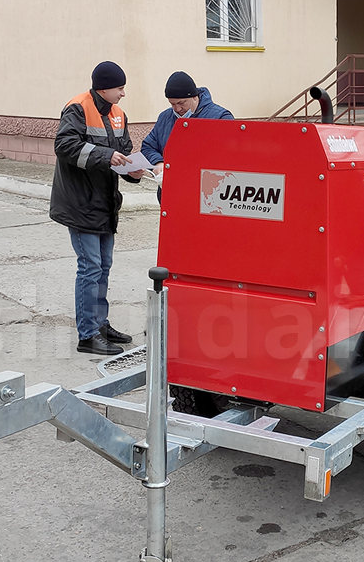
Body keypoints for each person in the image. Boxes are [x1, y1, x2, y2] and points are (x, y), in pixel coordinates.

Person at [50, 61, 145, 356]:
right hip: (80, 203)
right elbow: (64, 146)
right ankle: (88, 335)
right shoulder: (77, 108)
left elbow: (123, 153)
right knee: (90, 267)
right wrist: (107, 155)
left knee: (103, 266)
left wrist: (133, 171)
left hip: (104, 204)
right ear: (104, 87)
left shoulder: (118, 115)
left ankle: (100, 324)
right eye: (120, 88)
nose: (123, 93)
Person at [141, 71, 234, 202]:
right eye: (172, 104)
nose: (178, 109)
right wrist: (159, 162)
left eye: (181, 103)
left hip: (208, 198)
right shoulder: (165, 117)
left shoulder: (220, 117)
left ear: (194, 97)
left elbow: (230, 155)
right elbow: (148, 146)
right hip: (171, 197)